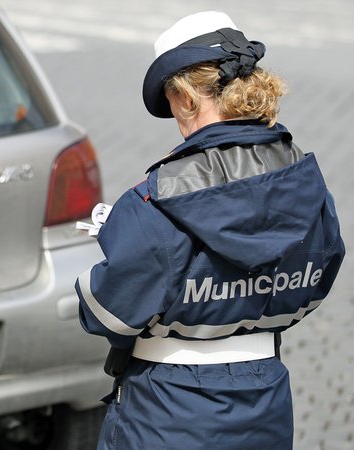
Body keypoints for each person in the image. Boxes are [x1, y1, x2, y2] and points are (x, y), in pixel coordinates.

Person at [75, 11, 345, 450]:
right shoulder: (306, 181)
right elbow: (319, 277)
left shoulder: (156, 199)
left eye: (171, 102)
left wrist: (119, 234)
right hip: (267, 401)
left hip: (167, 409)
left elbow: (108, 313)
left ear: (185, 98)